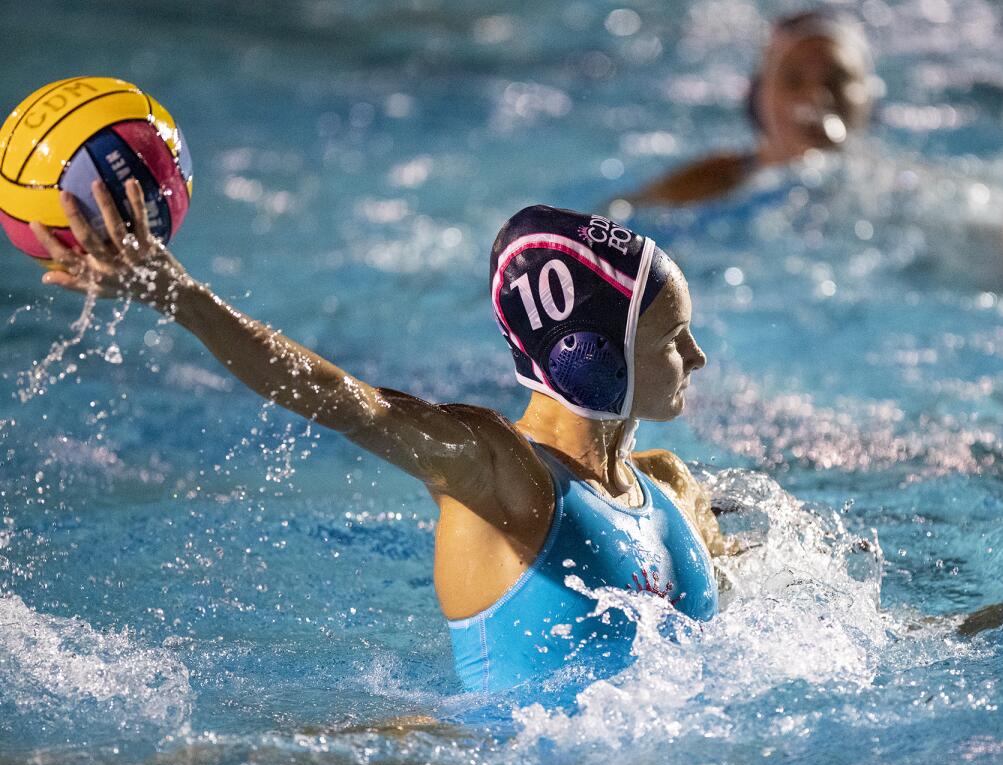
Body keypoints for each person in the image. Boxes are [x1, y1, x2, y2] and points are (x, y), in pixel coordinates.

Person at [32, 179, 727, 694]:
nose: (696, 358)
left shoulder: (669, 487)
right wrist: (181, 298)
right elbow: (348, 403)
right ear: (589, 355)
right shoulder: (500, 474)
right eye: (672, 339)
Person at [623, 8, 878, 207]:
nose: (816, 97)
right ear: (759, 95)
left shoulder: (894, 187)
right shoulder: (708, 183)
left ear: (868, 97)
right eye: (793, 80)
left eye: (837, 80)